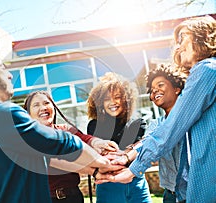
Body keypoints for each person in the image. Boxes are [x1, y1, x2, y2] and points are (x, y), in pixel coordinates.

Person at [0, 47, 121, 203]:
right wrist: (102, 162)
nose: (10, 75)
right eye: (2, 68)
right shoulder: (2, 114)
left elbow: (46, 158)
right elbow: (63, 142)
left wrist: (95, 168)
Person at [107, 15, 216, 203]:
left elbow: (169, 131)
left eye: (183, 39)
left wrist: (133, 169)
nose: (178, 47)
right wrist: (126, 157)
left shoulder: (206, 69)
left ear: (202, 36)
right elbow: (154, 135)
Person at [23, 90, 119, 203]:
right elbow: (54, 160)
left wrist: (97, 143)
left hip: (73, 197)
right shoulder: (27, 140)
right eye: (36, 105)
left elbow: (84, 139)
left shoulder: (66, 129)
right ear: (28, 113)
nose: (43, 107)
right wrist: (95, 170)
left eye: (46, 103)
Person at [86, 72, 152, 203]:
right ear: (100, 103)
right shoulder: (94, 125)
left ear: (126, 99)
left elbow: (139, 153)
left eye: (117, 97)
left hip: (136, 184)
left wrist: (126, 154)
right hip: (108, 185)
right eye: (106, 99)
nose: (112, 102)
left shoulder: (138, 123)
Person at [145, 65, 187, 202]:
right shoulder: (156, 125)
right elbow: (146, 145)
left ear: (176, 89)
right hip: (170, 194)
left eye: (160, 85)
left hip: (195, 190)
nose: (155, 90)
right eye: (152, 90)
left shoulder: (191, 119)